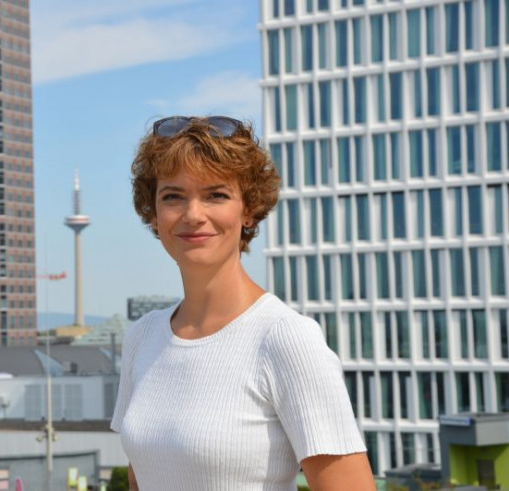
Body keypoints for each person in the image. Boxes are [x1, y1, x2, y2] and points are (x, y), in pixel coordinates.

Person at [110, 116, 375, 490]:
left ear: (248, 208)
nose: (193, 215)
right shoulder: (142, 337)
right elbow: (144, 476)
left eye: (216, 195)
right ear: (153, 214)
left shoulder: (285, 338)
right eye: (173, 196)